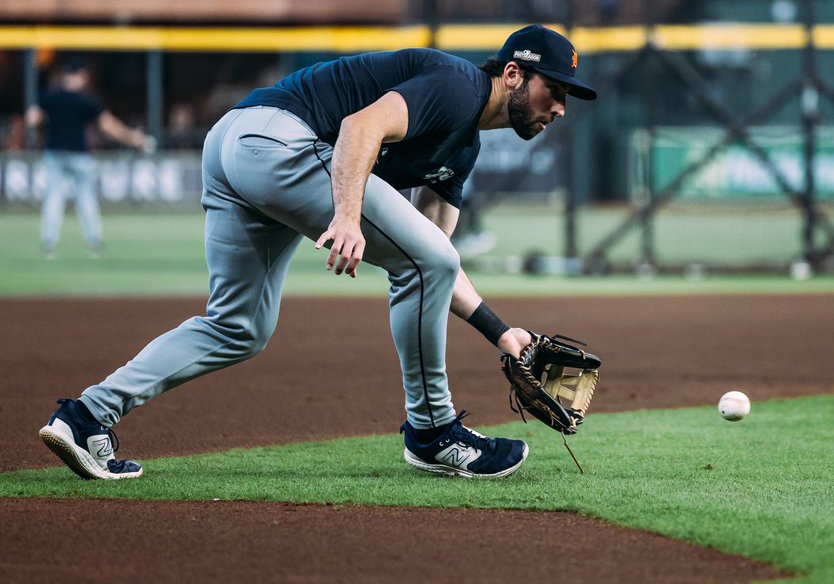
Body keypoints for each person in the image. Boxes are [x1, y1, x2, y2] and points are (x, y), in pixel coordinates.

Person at [38, 25, 596, 480]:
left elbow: (437, 260)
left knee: (239, 327)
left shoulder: (462, 148)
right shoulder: (458, 85)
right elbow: (360, 127)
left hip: (233, 143)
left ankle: (85, 416)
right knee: (420, 261)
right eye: (556, 89)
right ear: (514, 74)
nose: (562, 108)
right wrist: (348, 217)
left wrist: (501, 332)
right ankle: (432, 431)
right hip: (280, 141)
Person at [25, 57, 151, 260]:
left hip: (54, 153)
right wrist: (134, 138)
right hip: (80, 155)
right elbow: (108, 126)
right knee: (86, 199)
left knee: (54, 198)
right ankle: (94, 242)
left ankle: (49, 242)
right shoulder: (87, 99)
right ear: (82, 76)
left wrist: (43, 130)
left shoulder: (50, 96)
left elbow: (32, 119)